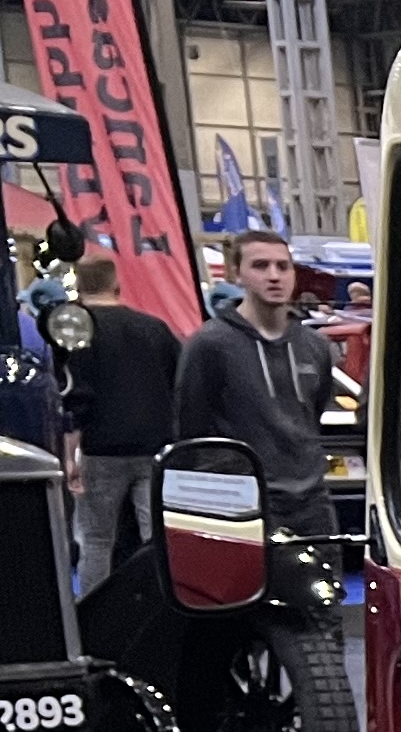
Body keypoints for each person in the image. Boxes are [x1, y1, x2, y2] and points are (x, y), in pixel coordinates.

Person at [174, 226, 337, 544]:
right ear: (237, 274)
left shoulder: (315, 345)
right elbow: (190, 430)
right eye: (260, 266)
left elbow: (311, 415)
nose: (274, 276)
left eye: (283, 266)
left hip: (312, 503)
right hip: (243, 505)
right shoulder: (210, 344)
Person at [58, 251, 178, 592]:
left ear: (79, 287)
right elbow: (178, 383)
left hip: (101, 451)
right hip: (156, 449)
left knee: (96, 540)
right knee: (157, 539)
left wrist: (70, 456)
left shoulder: (76, 334)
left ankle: (93, 611)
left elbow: (75, 399)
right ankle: (161, 606)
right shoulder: (155, 328)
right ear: (116, 284)